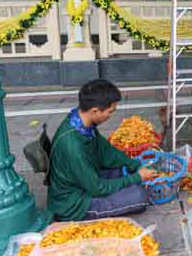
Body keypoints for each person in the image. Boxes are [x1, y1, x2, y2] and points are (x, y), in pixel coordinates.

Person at [47, 79, 159, 221]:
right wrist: (137, 177)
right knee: (140, 197)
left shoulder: (83, 124)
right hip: (74, 204)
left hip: (86, 180)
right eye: (109, 112)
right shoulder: (73, 147)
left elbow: (107, 153)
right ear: (95, 111)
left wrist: (135, 165)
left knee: (125, 170)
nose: (110, 116)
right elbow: (97, 188)